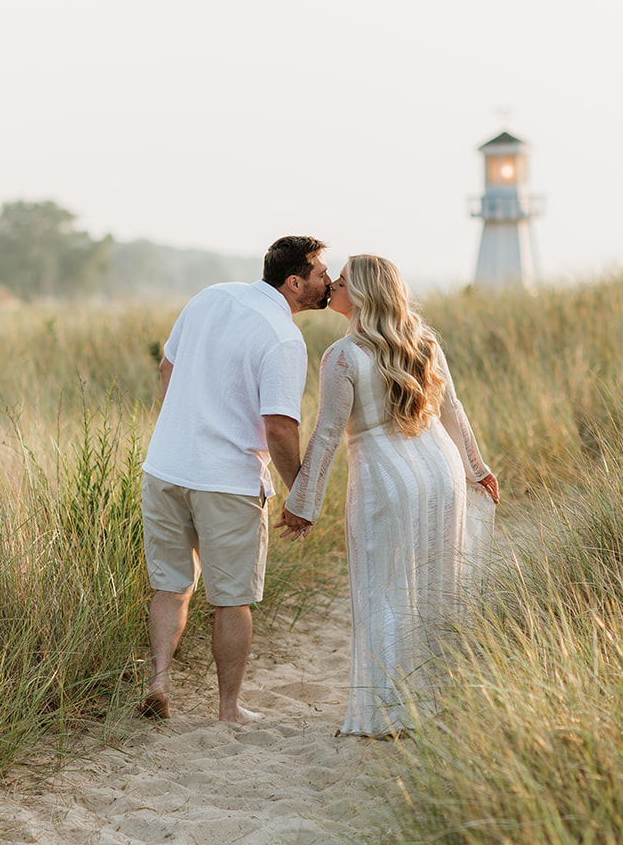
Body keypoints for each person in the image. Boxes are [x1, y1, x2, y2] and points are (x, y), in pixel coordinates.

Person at [277, 254, 498, 737]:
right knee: (438, 588)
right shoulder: (423, 342)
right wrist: (477, 470)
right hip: (440, 472)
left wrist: (301, 503)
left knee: (385, 589)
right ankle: (437, 704)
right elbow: (452, 412)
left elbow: (328, 433)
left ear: (360, 295)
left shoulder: (342, 355)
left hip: (385, 477)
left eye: (339, 282)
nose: (331, 286)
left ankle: (388, 715)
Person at [139, 235, 331, 722]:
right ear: (294, 283)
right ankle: (229, 709)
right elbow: (280, 427)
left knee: (170, 588)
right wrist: (300, 493)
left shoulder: (212, 295)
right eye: (321, 274)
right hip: (226, 479)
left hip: (164, 467)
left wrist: (185, 426)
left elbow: (168, 367)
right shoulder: (285, 338)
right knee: (233, 601)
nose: (329, 282)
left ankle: (159, 681)